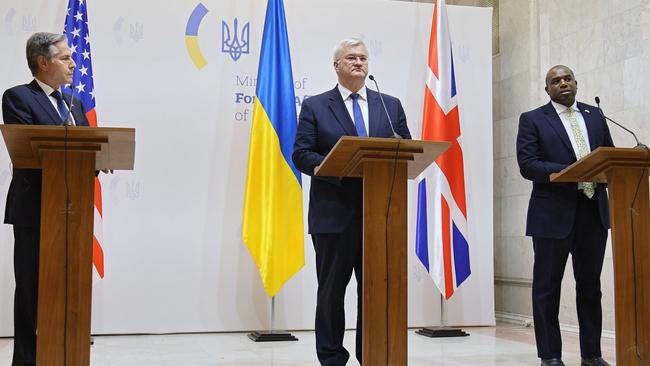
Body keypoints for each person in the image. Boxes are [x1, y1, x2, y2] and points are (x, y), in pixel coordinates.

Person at [292, 39, 411, 366]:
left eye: (363, 58)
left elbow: (406, 149)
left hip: (382, 217)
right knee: (332, 292)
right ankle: (331, 358)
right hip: (333, 215)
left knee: (375, 292)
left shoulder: (390, 105)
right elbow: (301, 154)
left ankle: (372, 354)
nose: (359, 63)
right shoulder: (316, 106)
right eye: (351, 58)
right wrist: (336, 167)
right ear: (337, 66)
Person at [516, 65, 613, 366]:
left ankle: (592, 355)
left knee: (590, 287)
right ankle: (550, 356)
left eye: (567, 78)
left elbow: (608, 155)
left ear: (576, 83)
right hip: (552, 215)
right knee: (547, 289)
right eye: (555, 81)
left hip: (592, 212)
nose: (563, 83)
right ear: (547, 90)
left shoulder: (595, 115)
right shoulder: (533, 119)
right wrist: (567, 173)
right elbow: (528, 164)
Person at [2, 32, 89, 366]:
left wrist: (96, 162)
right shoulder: (19, 98)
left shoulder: (75, 104)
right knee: (30, 290)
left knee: (69, 289)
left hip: (72, 210)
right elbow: (27, 151)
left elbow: (84, 149)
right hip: (34, 210)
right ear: (42, 62)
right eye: (65, 58)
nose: (72, 63)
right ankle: (25, 361)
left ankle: (66, 356)